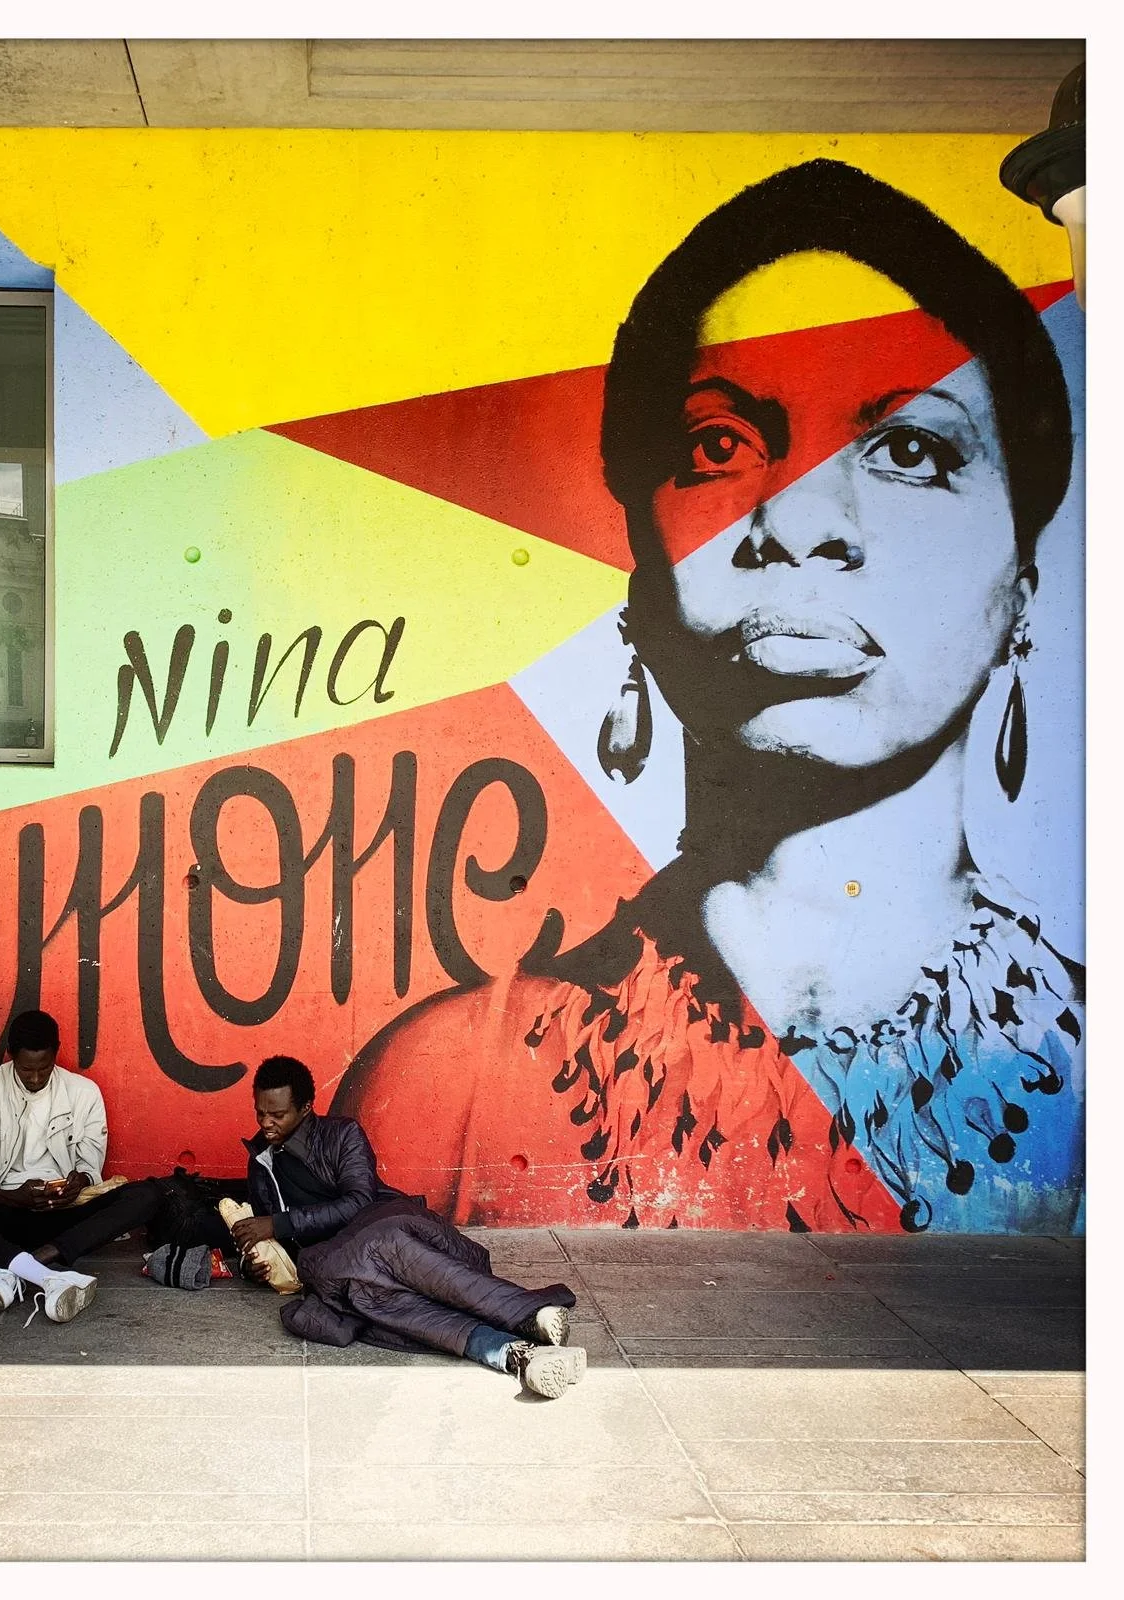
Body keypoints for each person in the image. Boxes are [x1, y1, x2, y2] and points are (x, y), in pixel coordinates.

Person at [336, 159, 1083, 1236]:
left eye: (910, 449)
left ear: (1021, 579)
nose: (796, 519)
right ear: (642, 568)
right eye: (717, 445)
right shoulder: (449, 1081)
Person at [231, 1055, 588, 1399]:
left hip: (382, 1228)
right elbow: (270, 1241)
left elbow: (358, 1201)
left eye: (277, 1114)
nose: (266, 1123)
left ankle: (524, 1318)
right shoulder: (261, 1163)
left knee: (405, 1275)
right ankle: (515, 1352)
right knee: (388, 1310)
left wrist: (278, 1222)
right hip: (333, 1264)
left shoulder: (343, 1134)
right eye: (260, 1113)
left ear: (306, 1107)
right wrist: (254, 1267)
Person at [0, 1008, 165, 1320]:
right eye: (25, 1070)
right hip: (1, 1210)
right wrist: (2, 1194)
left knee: (147, 1195)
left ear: (55, 1055)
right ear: (11, 1057)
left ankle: (20, 1265)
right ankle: (49, 1276)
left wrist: (79, 1183)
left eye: (43, 1070)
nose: (34, 1078)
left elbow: (90, 1166)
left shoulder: (83, 1093)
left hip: (60, 1216)